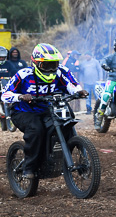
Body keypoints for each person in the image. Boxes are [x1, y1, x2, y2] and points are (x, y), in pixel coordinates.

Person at [1, 43, 88, 178]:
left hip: (48, 108)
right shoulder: (24, 74)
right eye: (47, 65)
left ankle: (59, 159)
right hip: (23, 111)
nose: (51, 68)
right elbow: (5, 95)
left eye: (54, 64)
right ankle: (29, 168)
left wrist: (79, 91)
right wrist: (20, 96)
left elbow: (70, 85)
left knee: (66, 122)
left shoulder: (59, 72)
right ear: (36, 63)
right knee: (36, 130)